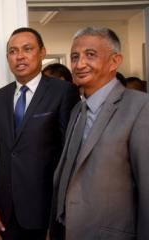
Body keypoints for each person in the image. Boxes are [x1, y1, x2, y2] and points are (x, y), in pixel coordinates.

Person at [0, 27, 80, 240]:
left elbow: (69, 155)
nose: (20, 56)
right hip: (7, 213)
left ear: (42, 53)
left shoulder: (63, 92)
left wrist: (58, 214)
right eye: (13, 51)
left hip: (46, 212)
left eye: (27, 49)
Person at [50, 27, 149, 240]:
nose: (79, 64)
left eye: (90, 55)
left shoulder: (140, 107)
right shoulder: (78, 109)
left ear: (115, 61)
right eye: (75, 57)